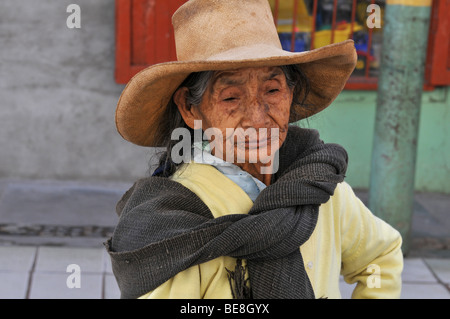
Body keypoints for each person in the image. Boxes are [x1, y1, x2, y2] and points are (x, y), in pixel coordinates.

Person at [106, 0, 403, 299]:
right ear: (190, 108)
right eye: (231, 98)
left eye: (272, 90)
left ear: (291, 92)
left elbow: (380, 257)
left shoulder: (318, 184)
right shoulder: (175, 219)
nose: (258, 119)